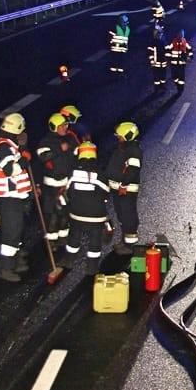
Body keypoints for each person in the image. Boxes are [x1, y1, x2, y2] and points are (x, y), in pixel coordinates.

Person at [0, 113, 33, 282]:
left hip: (16, 197)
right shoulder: (3, 147)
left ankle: (15, 262)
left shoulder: (10, 145)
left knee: (17, 231)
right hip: (9, 198)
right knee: (11, 233)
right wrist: (24, 159)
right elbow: (10, 170)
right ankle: (6, 268)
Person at [57, 142, 109, 275]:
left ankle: (68, 261)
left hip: (77, 215)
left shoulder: (74, 173)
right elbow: (106, 192)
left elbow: (67, 191)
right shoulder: (99, 173)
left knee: (73, 239)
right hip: (96, 217)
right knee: (95, 243)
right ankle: (91, 269)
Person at [35, 113, 76, 250]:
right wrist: (59, 149)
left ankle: (63, 238)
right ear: (55, 127)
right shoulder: (46, 142)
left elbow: (76, 156)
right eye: (62, 125)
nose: (66, 127)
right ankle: (51, 242)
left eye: (66, 125)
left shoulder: (69, 139)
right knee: (52, 214)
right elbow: (44, 156)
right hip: (51, 186)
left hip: (66, 183)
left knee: (64, 213)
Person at [107, 122, 142, 255]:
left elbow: (133, 170)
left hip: (126, 190)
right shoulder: (123, 148)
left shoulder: (133, 151)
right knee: (122, 215)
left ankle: (129, 246)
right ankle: (125, 241)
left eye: (120, 136)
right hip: (118, 189)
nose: (118, 138)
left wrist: (124, 185)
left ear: (127, 136)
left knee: (128, 216)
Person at [165, 29, 192, 93]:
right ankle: (178, 85)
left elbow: (189, 49)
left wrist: (190, 56)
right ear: (177, 34)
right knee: (174, 77)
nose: (181, 35)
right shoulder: (173, 42)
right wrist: (168, 57)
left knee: (181, 77)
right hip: (174, 63)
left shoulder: (184, 41)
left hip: (182, 63)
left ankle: (180, 89)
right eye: (180, 34)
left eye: (182, 34)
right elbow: (168, 49)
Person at [147, 23, 169, 91]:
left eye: (160, 33)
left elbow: (167, 50)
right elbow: (150, 53)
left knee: (163, 76)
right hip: (156, 63)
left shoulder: (163, 41)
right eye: (158, 33)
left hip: (163, 62)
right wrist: (152, 61)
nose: (159, 35)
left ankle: (162, 86)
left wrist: (168, 58)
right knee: (156, 77)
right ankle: (157, 88)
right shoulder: (153, 42)